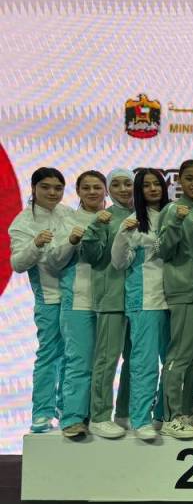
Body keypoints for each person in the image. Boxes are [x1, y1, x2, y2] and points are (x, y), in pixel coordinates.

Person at [44, 171, 107, 439]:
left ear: (105, 191)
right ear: (78, 191)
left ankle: (100, 415)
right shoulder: (67, 221)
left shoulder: (117, 218)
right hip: (78, 300)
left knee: (105, 363)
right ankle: (72, 417)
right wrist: (71, 241)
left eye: (97, 187)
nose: (92, 192)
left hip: (112, 301)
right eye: (86, 187)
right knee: (79, 361)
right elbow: (53, 261)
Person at [157, 160, 193, 439]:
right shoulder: (172, 210)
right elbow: (162, 250)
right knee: (180, 356)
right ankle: (170, 416)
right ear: (179, 180)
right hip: (183, 290)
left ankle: (189, 410)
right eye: (190, 178)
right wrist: (176, 223)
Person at [111, 169, 171, 440]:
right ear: (139, 190)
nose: (153, 189)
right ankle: (140, 419)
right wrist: (123, 235)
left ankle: (164, 415)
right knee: (144, 362)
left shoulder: (174, 215)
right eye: (146, 185)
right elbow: (119, 262)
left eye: (157, 184)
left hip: (176, 299)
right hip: (146, 300)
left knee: (173, 363)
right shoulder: (134, 221)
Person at [10, 168, 69, 433]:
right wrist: (35, 244)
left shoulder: (68, 214)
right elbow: (17, 264)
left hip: (76, 297)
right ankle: (42, 413)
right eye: (46, 187)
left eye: (58, 188)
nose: (52, 192)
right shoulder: (23, 222)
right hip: (49, 298)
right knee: (49, 354)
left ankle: (67, 408)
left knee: (73, 356)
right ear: (33, 188)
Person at [79, 168, 134, 435]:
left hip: (142, 302)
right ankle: (100, 416)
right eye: (117, 185)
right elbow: (91, 256)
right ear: (109, 190)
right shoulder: (105, 217)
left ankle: (125, 413)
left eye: (128, 183)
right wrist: (94, 228)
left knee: (136, 361)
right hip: (112, 298)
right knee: (107, 359)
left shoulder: (145, 216)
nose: (123, 189)